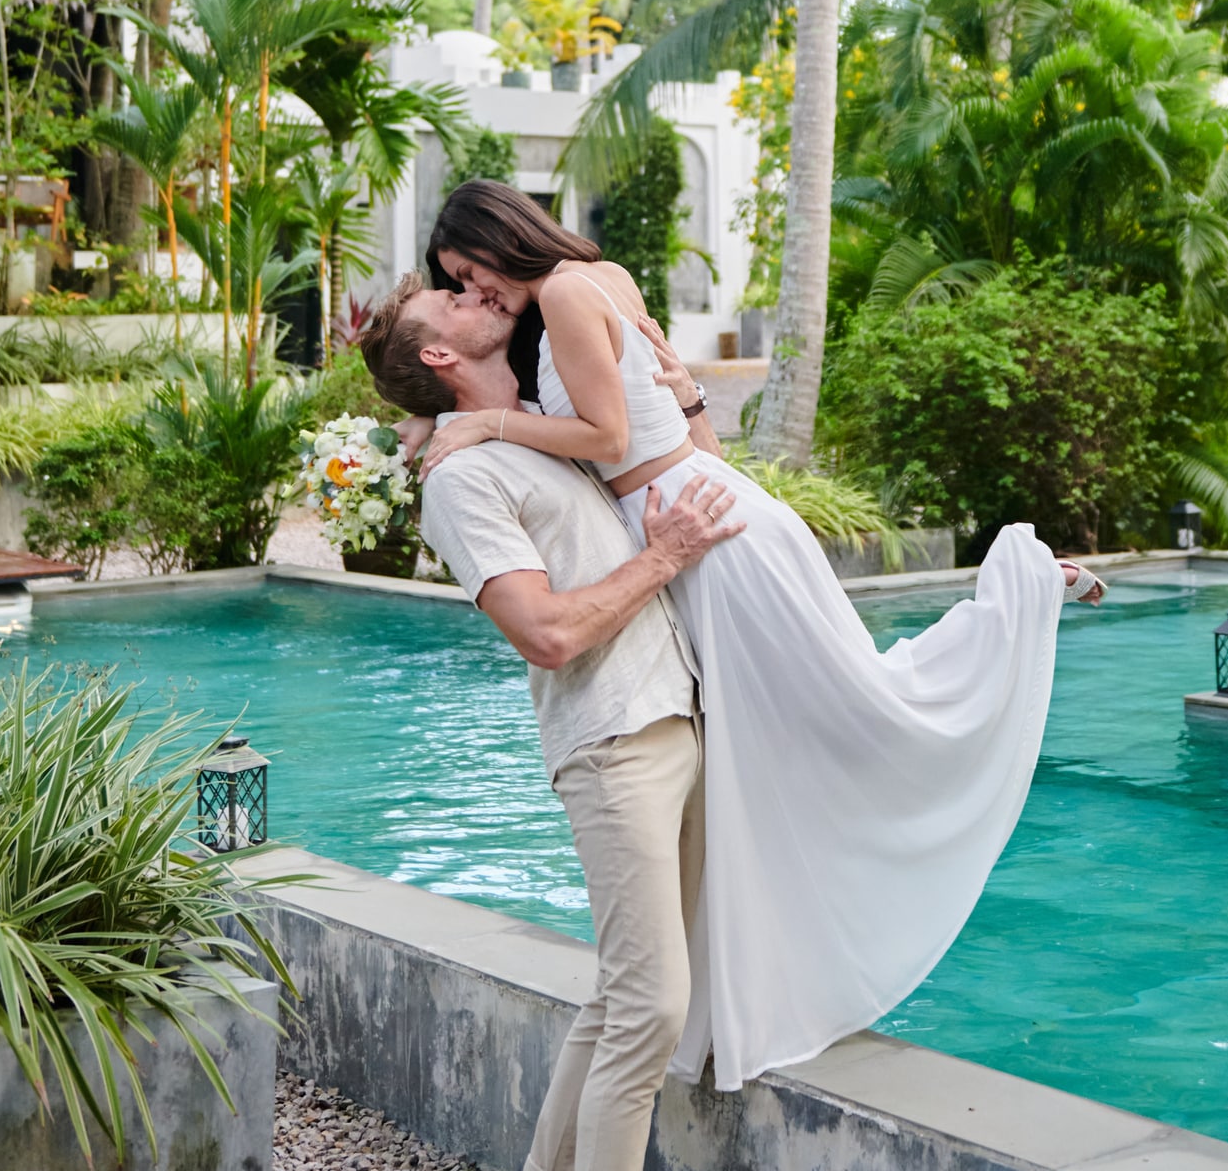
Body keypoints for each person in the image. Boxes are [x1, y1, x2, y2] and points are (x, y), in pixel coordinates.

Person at [413, 180, 1101, 1101]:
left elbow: (607, 431)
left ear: (501, 236)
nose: (476, 293)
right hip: (708, 525)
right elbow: (666, 415)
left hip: (715, 545)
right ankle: (754, 981)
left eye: (472, 272)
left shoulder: (572, 292)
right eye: (457, 284)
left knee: (856, 710)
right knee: (783, 747)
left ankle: (1021, 593)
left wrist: (481, 422)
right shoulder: (594, 281)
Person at [358, 273, 741, 1171]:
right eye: (455, 299)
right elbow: (547, 628)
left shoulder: (531, 428)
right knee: (651, 1009)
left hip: (675, 716)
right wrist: (664, 556)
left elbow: (671, 455)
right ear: (439, 354)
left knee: (619, 994)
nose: (481, 295)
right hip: (612, 741)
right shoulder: (462, 479)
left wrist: (681, 385)